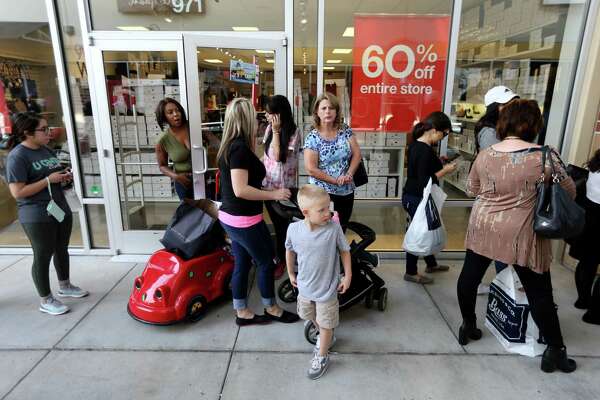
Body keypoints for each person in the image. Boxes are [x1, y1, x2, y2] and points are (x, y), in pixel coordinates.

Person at [456, 99, 577, 373]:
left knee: (469, 278)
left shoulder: (486, 154)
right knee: (539, 292)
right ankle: (555, 351)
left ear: (503, 123)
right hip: (522, 232)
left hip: (484, 225)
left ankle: (469, 324)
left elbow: (471, 189)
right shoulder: (545, 156)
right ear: (534, 125)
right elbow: (569, 192)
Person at [217, 97, 299, 326]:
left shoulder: (233, 145)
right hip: (242, 220)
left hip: (234, 218)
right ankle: (271, 308)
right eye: (254, 116)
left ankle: (241, 310)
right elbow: (241, 189)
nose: (258, 119)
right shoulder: (239, 149)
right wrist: (273, 194)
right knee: (266, 262)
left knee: (242, 263)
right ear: (245, 119)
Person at [6, 112, 88, 316]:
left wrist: (64, 177)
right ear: (27, 133)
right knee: (43, 254)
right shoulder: (17, 156)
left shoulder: (45, 150)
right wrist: (48, 180)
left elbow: (54, 174)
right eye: (43, 129)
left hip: (59, 207)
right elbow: (17, 192)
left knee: (62, 248)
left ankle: (65, 285)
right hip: (37, 214)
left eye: (48, 128)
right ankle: (46, 299)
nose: (48, 132)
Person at [285, 184, 351, 380]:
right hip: (305, 287)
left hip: (327, 289)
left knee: (325, 323)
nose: (327, 213)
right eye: (321, 210)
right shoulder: (294, 230)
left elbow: (344, 250)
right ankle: (326, 335)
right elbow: (289, 249)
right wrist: (290, 272)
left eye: (328, 207)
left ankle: (322, 355)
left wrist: (347, 275)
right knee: (309, 316)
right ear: (306, 212)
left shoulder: (333, 228)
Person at [474, 85, 519, 294]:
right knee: (496, 248)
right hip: (496, 199)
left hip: (501, 199)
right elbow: (494, 167)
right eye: (507, 105)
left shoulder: (502, 130)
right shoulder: (489, 132)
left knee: (498, 248)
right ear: (497, 108)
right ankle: (504, 289)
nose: (511, 108)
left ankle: (503, 286)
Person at [402, 112, 456, 284]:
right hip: (417, 197)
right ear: (433, 130)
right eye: (444, 133)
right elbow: (426, 180)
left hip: (413, 196)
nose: (443, 137)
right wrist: (445, 171)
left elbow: (422, 168)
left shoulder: (417, 145)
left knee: (427, 229)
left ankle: (431, 264)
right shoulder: (424, 150)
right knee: (418, 232)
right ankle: (411, 271)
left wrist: (439, 161)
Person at [303, 93, 361, 231]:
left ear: (336, 111)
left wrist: (349, 174)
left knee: (341, 229)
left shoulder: (345, 130)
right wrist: (335, 180)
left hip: (346, 191)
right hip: (322, 193)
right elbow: (311, 169)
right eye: (323, 108)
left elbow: (357, 154)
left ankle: (338, 253)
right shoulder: (312, 137)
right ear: (317, 112)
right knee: (322, 230)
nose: (327, 111)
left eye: (331, 108)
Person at [262, 95, 301, 279]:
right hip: (268, 187)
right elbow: (267, 157)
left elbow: (278, 156)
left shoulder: (293, 132)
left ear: (280, 114)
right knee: (277, 226)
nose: (267, 116)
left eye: (270, 113)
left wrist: (277, 132)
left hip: (284, 189)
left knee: (282, 227)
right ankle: (280, 258)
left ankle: (285, 261)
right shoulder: (269, 128)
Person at [569, 149, 600, 325]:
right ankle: (594, 313)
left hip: (590, 219)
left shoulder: (595, 168)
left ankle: (583, 300)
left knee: (587, 262)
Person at [155, 98, 193, 200]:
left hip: (205, 179)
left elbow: (213, 142)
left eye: (177, 110)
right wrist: (176, 176)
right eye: (170, 112)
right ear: (164, 117)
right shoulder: (163, 140)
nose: (176, 114)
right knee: (189, 215)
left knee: (211, 212)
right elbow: (162, 166)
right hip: (184, 183)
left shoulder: (194, 127)